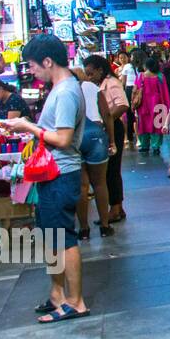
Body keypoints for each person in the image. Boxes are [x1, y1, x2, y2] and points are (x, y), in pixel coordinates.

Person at [6, 35, 89, 323]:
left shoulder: (65, 92)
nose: (31, 72)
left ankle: (76, 302)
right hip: (52, 172)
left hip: (61, 173)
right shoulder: (60, 88)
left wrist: (28, 126)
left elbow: (64, 139)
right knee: (51, 236)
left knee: (64, 237)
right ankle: (58, 295)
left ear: (48, 61)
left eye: (32, 65)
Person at [83, 55, 130, 224]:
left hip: (113, 128)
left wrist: (107, 119)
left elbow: (123, 104)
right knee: (110, 169)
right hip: (107, 127)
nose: (89, 78)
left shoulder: (111, 83)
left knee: (111, 169)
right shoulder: (100, 84)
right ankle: (117, 207)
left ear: (100, 70)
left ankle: (115, 208)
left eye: (90, 74)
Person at [76, 66, 114, 240]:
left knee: (82, 187)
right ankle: (105, 226)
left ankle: (84, 229)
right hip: (95, 134)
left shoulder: (64, 89)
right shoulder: (92, 87)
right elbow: (106, 114)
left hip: (75, 136)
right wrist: (112, 140)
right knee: (100, 183)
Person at [133, 57, 170, 154]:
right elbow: (165, 92)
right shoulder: (160, 76)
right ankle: (156, 146)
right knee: (157, 125)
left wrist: (133, 104)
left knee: (143, 125)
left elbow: (135, 91)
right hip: (157, 104)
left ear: (145, 66)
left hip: (143, 105)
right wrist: (167, 106)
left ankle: (144, 145)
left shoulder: (140, 76)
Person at [119, 49, 139, 148]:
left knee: (130, 113)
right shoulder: (141, 67)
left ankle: (130, 137)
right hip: (138, 89)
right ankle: (138, 136)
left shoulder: (127, 66)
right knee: (136, 113)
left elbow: (123, 82)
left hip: (129, 89)